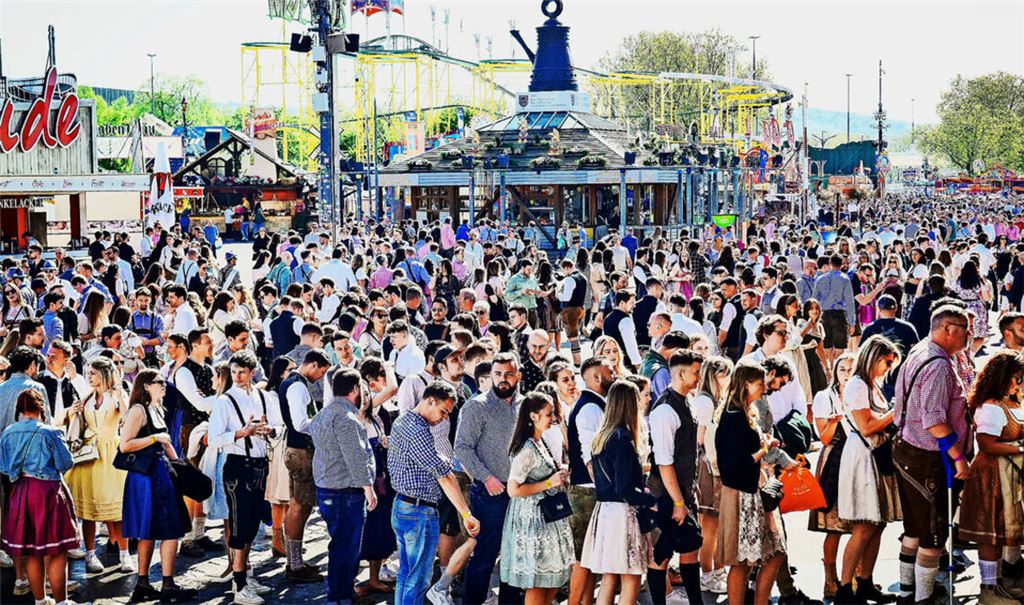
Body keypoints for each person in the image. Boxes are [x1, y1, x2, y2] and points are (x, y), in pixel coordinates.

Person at [892, 305, 971, 605]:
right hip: (927, 458)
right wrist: (959, 457)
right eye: (964, 329)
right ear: (947, 329)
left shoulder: (919, 350)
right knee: (933, 536)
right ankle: (923, 599)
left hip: (907, 450)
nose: (968, 336)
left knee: (913, 528)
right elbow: (935, 420)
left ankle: (907, 591)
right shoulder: (938, 364)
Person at [388, 380, 480, 605]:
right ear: (430, 400)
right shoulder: (417, 429)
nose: (445, 417)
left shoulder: (405, 420)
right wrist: (466, 514)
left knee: (407, 575)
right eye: (443, 411)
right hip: (417, 511)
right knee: (417, 579)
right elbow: (445, 476)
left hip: (405, 507)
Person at [119, 369, 197, 603]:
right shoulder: (138, 410)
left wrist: (181, 467)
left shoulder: (156, 409)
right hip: (148, 476)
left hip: (159, 474)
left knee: (151, 530)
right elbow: (124, 445)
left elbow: (166, 444)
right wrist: (155, 439)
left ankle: (145, 584)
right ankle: (166, 584)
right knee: (168, 529)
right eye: (159, 382)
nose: (164, 386)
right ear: (145, 386)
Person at [835, 335, 902, 604]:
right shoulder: (858, 385)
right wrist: (895, 411)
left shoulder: (871, 385)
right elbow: (866, 426)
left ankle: (864, 583)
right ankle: (844, 588)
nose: (888, 368)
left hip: (874, 454)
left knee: (877, 524)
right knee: (863, 526)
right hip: (863, 456)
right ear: (874, 358)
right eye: (887, 362)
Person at [455, 352, 524, 605]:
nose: (502, 379)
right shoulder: (477, 406)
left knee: (514, 557)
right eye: (497, 374)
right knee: (484, 556)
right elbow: (461, 448)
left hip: (519, 492)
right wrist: (486, 478)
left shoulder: (524, 405)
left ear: (518, 375)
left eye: (508, 374)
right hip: (489, 493)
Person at [714, 361, 786, 605]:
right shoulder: (733, 416)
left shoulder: (743, 411)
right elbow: (737, 462)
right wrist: (763, 449)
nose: (764, 388)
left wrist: (763, 444)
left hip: (751, 490)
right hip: (741, 494)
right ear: (745, 383)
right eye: (759, 383)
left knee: (772, 554)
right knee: (742, 562)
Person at [208, 350, 276, 605]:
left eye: (241, 372)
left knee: (251, 525)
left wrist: (269, 429)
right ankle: (238, 585)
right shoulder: (224, 401)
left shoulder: (263, 396)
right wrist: (241, 433)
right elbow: (214, 440)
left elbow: (280, 427)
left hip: (260, 465)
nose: (236, 376)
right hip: (237, 466)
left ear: (252, 373)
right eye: (233, 372)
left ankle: (247, 575)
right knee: (238, 525)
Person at [580, 380, 656, 605]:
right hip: (622, 515)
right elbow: (624, 489)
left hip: (604, 512)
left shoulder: (602, 437)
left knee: (609, 576)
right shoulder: (622, 438)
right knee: (631, 577)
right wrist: (651, 499)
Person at [0, 390, 79, 605]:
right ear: (41, 407)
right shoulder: (50, 432)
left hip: (22, 491)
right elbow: (65, 463)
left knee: (32, 551)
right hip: (49, 492)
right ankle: (61, 602)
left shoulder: (8, 432)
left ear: (20, 409)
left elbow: (4, 467)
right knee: (57, 550)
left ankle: (40, 600)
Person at [957, 351, 1024, 605]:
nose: (1019, 383)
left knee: (1002, 533)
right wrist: (1020, 448)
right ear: (1003, 377)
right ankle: (988, 590)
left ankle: (999, 587)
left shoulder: (1011, 403)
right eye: (1017, 378)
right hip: (991, 475)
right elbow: (986, 444)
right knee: (990, 533)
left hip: (1008, 474)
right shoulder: (990, 407)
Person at [309, 368, 377, 605]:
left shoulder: (323, 414)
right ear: (356, 389)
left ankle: (343, 593)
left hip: (328, 488)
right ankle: (339, 596)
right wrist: (368, 487)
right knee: (345, 547)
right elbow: (355, 456)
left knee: (342, 544)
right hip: (344, 492)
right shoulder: (347, 418)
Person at [499, 391, 575, 603]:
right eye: (549, 414)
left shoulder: (540, 442)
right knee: (538, 582)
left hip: (546, 519)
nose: (553, 418)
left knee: (551, 581)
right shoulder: (527, 448)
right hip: (532, 522)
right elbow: (513, 489)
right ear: (533, 416)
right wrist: (549, 482)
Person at [63, 356, 133, 574]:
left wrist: (121, 395)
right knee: (88, 509)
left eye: (92, 373)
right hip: (88, 455)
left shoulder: (116, 395)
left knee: (117, 508)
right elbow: (75, 422)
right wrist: (72, 411)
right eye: (89, 373)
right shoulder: (87, 396)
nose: (89, 376)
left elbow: (128, 418)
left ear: (104, 374)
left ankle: (125, 554)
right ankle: (90, 554)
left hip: (111, 453)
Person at [646, 349, 705, 605]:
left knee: (691, 546)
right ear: (680, 373)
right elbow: (664, 462)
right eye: (695, 372)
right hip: (665, 494)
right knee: (661, 555)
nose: (699, 377)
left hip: (683, 490)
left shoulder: (686, 401)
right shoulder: (664, 410)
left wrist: (690, 489)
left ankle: (696, 602)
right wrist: (678, 502)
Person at [279, 348, 332, 583]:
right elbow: (301, 422)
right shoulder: (298, 385)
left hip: (297, 449)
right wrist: (324, 424)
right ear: (312, 365)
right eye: (321, 371)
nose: (321, 376)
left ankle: (295, 560)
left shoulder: (294, 382)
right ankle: (294, 564)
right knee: (300, 506)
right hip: (301, 451)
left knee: (299, 505)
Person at [566, 357, 614, 605]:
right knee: (582, 560)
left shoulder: (595, 405)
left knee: (591, 559)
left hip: (592, 491)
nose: (614, 374)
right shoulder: (590, 408)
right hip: (587, 492)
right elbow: (590, 455)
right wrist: (606, 490)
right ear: (596, 377)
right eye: (610, 372)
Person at [808, 352, 855, 599]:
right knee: (833, 525)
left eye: (851, 369)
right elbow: (824, 437)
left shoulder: (865, 392)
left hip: (859, 459)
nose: (847, 374)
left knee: (862, 524)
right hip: (835, 458)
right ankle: (830, 578)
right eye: (842, 369)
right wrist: (837, 419)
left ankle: (858, 577)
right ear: (835, 372)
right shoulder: (824, 397)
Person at [692, 355, 733, 595]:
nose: (728, 379)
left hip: (716, 466)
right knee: (710, 524)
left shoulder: (716, 401)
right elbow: (702, 438)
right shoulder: (705, 402)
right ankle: (708, 572)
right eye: (724, 374)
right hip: (709, 467)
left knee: (717, 524)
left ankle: (718, 570)